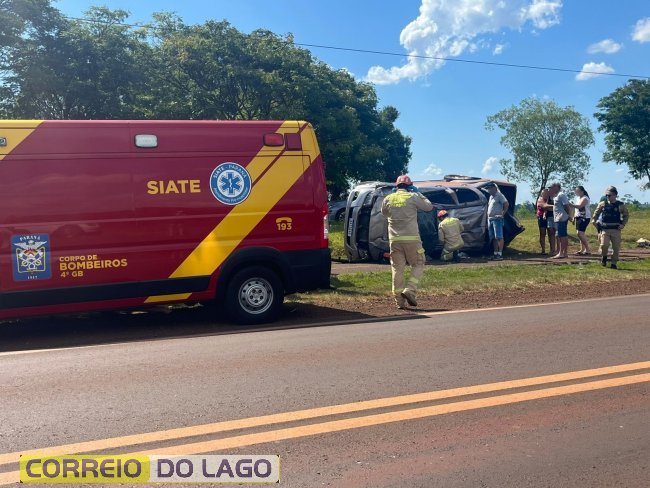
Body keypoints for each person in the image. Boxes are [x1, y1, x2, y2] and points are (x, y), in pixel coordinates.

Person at [381, 174, 434, 308]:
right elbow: (429, 207)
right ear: (410, 186)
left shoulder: (388, 198)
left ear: (396, 186)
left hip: (394, 240)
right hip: (412, 239)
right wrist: (418, 193)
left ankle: (399, 302)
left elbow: (385, 214)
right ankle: (410, 290)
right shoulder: (413, 196)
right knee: (418, 263)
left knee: (397, 269)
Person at [591, 186, 629, 269]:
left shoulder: (620, 205)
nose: (607, 197)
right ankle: (604, 257)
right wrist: (594, 220)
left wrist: (623, 224)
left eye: (609, 195)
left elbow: (626, 215)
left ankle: (614, 263)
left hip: (616, 229)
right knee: (604, 245)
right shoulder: (602, 204)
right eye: (606, 195)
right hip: (605, 229)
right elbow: (596, 213)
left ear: (615, 195)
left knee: (616, 247)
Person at [485, 182, 509, 260]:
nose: (488, 190)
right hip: (490, 219)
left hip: (497, 219)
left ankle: (500, 254)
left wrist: (502, 214)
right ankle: (495, 253)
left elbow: (506, 204)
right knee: (493, 237)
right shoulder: (491, 197)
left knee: (499, 236)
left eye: (489, 189)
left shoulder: (499, 195)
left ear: (494, 188)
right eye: (488, 189)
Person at [549, 182, 571, 259]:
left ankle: (561, 253)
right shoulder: (556, 196)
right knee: (562, 235)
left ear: (557, 187)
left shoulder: (561, 195)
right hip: (558, 218)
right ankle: (564, 253)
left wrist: (568, 215)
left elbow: (566, 206)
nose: (551, 188)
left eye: (552, 187)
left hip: (561, 217)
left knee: (562, 235)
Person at [571, 185, 591, 255]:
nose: (576, 192)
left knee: (580, 233)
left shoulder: (585, 198)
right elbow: (576, 210)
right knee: (580, 234)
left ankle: (587, 249)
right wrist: (574, 217)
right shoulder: (577, 198)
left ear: (582, 191)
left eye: (578, 191)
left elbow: (579, 206)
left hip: (584, 217)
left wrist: (570, 204)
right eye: (576, 191)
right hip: (578, 217)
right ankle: (582, 249)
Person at [536, 188, 553, 254]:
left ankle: (552, 249)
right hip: (541, 217)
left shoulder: (550, 199)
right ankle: (543, 250)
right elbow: (544, 206)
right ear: (542, 194)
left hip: (549, 217)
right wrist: (554, 206)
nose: (545, 194)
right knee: (542, 233)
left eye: (547, 193)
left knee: (551, 233)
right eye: (544, 193)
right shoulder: (540, 199)